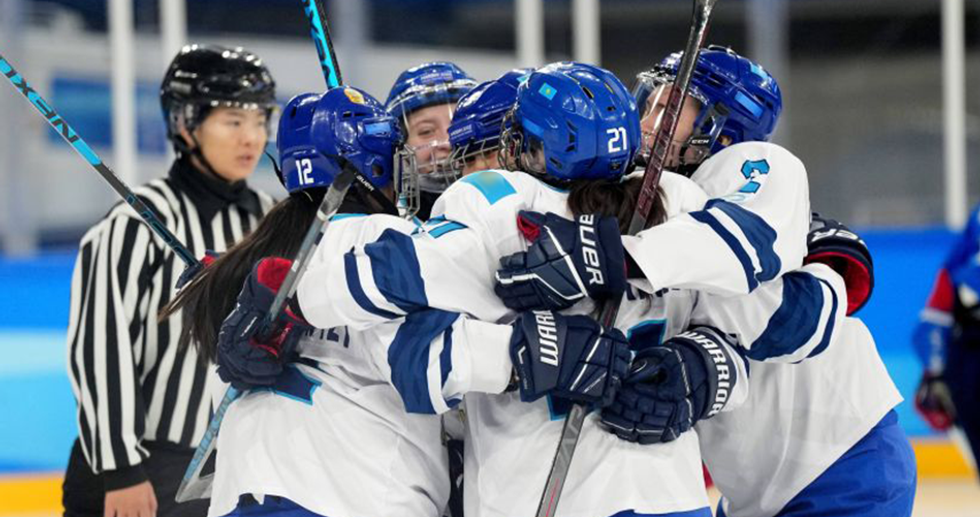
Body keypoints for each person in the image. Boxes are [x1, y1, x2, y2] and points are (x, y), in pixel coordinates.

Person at [270, 62, 848, 517]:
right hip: (670, 499)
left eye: (476, 150)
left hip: (537, 499)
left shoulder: (495, 204)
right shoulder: (680, 203)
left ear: (522, 147)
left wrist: (282, 301)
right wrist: (713, 369)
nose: (456, 169)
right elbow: (792, 323)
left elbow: (399, 345)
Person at [173, 84, 630, 517]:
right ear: (371, 167)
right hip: (356, 496)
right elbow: (427, 364)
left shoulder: (241, 265)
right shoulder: (387, 239)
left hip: (243, 493)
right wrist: (537, 352)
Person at [495, 47, 914, 516]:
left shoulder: (751, 165)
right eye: (650, 102)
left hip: (844, 461)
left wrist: (609, 259)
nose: (648, 121)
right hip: (751, 492)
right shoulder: (651, 196)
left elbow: (791, 312)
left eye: (670, 107)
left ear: (722, 127)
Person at [63, 44, 277, 517]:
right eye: (233, 121)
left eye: (260, 120)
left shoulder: (269, 219)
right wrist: (121, 471)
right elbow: (101, 349)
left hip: (232, 464)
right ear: (185, 124)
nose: (252, 137)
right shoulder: (134, 224)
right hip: (142, 468)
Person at [913, 202, 980, 479]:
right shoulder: (958, 270)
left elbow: (930, 325)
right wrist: (935, 373)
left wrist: (935, 372)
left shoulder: (958, 268)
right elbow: (932, 323)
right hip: (968, 365)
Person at [385, 61, 476, 220]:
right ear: (399, 145)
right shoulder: (385, 226)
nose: (447, 142)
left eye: (459, 125)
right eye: (426, 131)